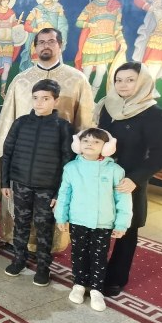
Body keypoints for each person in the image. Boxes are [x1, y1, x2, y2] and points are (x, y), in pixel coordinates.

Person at [0, 27, 94, 250]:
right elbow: (7, 121)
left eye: (51, 41)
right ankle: (16, 242)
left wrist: (84, 160)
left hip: (54, 160)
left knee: (50, 206)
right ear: (34, 47)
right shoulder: (21, 80)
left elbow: (84, 123)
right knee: (20, 206)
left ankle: (46, 249)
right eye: (41, 42)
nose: (46, 45)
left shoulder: (77, 79)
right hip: (22, 160)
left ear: (60, 45)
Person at [96, 62, 162, 296]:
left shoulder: (153, 114)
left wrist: (135, 179)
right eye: (119, 80)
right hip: (103, 177)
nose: (123, 85)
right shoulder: (107, 106)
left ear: (143, 82)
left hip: (130, 181)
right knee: (98, 226)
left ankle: (115, 279)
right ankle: (94, 272)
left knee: (126, 231)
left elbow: (159, 155)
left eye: (130, 80)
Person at [2, 79, 74, 286]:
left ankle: (43, 267)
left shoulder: (63, 127)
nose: (39, 103)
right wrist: (5, 181)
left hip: (47, 187)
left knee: (44, 227)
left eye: (45, 98)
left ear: (56, 101)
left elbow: (68, 161)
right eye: (35, 98)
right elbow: (8, 153)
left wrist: (59, 193)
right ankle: (19, 259)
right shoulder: (21, 123)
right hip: (21, 183)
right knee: (21, 223)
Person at [55, 128, 132, 312]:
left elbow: (123, 199)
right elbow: (64, 194)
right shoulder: (71, 168)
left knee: (99, 256)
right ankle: (79, 284)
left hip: (102, 222)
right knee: (78, 253)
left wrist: (122, 223)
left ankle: (97, 289)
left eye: (96, 142)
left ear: (106, 147)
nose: (89, 144)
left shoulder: (115, 170)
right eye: (86, 141)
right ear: (78, 144)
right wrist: (61, 216)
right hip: (78, 220)